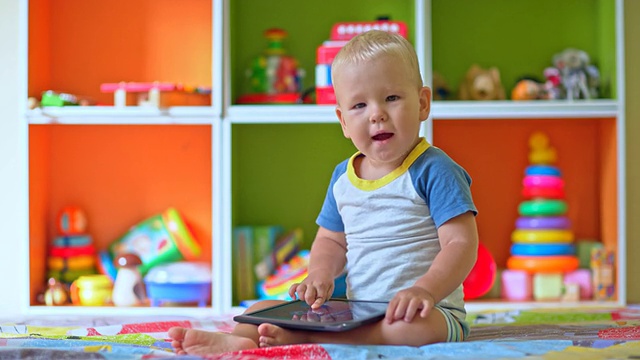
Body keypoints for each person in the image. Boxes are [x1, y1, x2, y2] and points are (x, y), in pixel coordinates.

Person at [168, 29, 479, 356]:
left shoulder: (435, 169)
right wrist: (319, 275)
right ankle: (242, 339)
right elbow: (331, 240)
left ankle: (309, 340)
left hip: (430, 310)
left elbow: (461, 244)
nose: (376, 114)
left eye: (391, 98)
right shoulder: (342, 178)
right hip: (358, 311)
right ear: (343, 122)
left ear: (422, 103)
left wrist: (425, 291)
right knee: (261, 308)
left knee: (407, 330)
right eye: (359, 105)